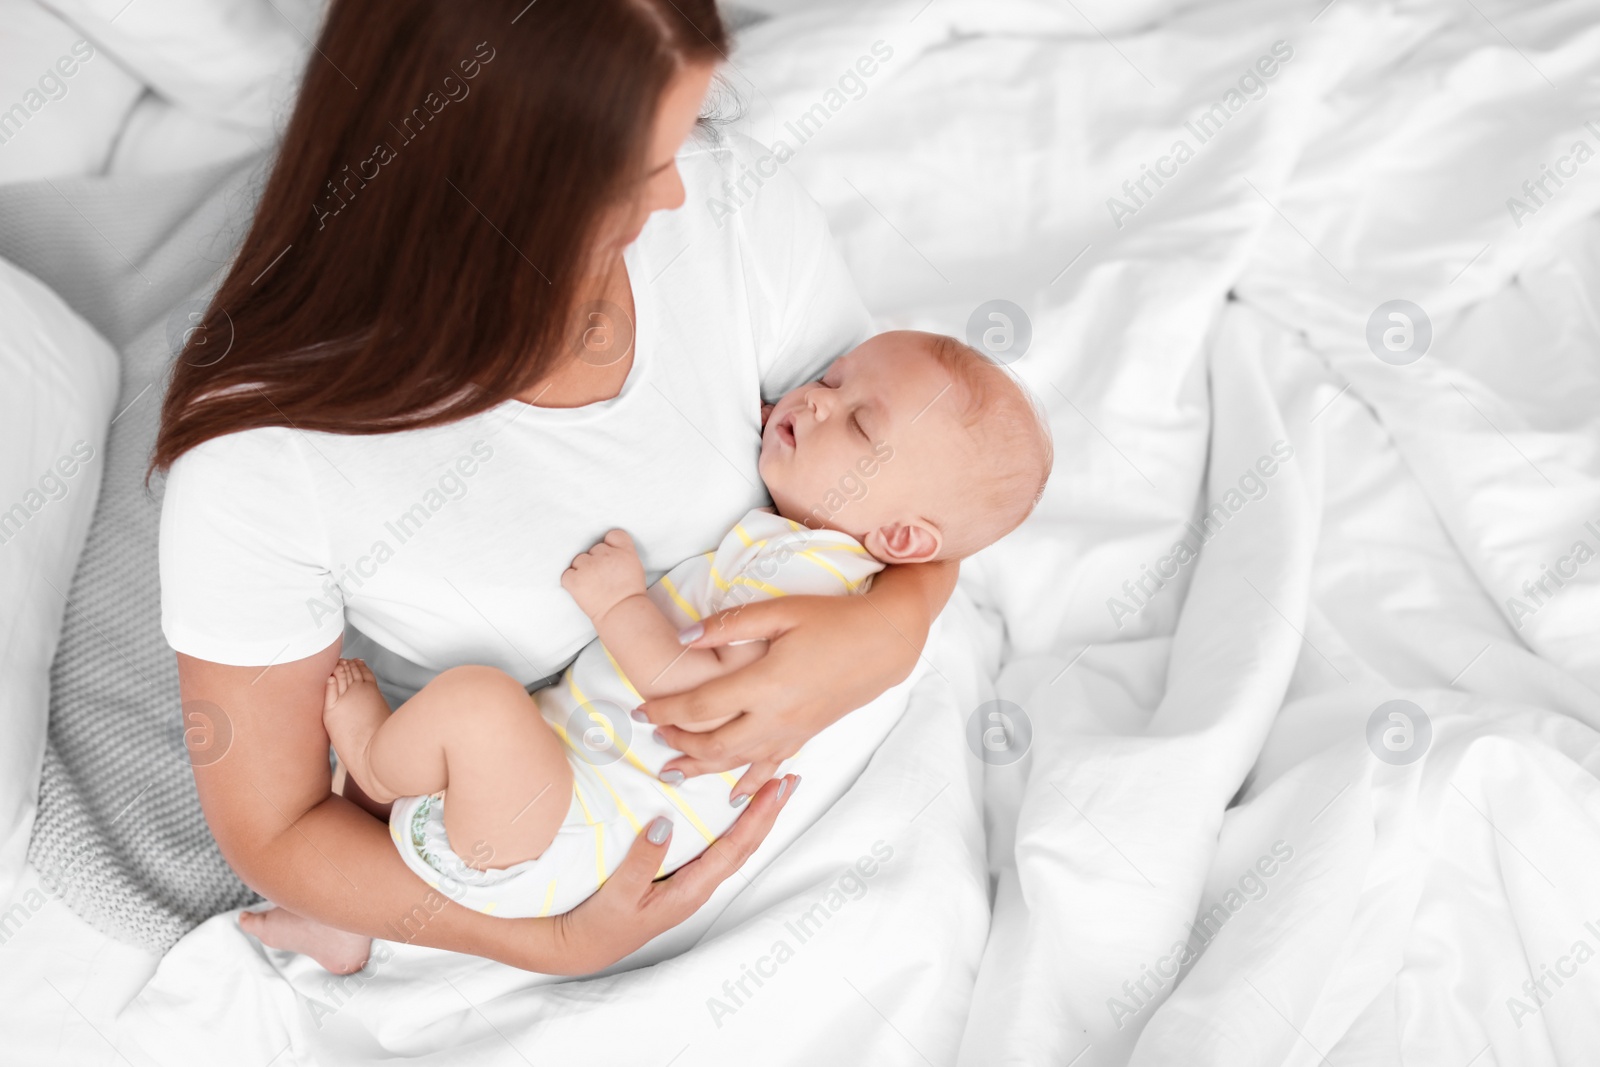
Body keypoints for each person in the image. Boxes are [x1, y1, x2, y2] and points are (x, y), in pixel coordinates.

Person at [153, 0, 961, 975]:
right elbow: (276, 830)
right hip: (553, 845)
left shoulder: (730, 206)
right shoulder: (265, 463)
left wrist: (893, 628)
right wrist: (551, 944)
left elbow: (916, 480)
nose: (676, 197)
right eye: (638, 174)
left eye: (688, 136)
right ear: (493, 197)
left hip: (835, 804)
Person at [291, 332, 1054, 973]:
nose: (816, 398)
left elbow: (696, 693)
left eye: (858, 426)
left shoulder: (815, 579)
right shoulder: (815, 545)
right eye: (828, 377)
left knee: (478, 704)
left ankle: (369, 754)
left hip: (567, 833)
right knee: (484, 727)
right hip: (558, 790)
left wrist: (620, 604)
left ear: (900, 539)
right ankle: (341, 923)